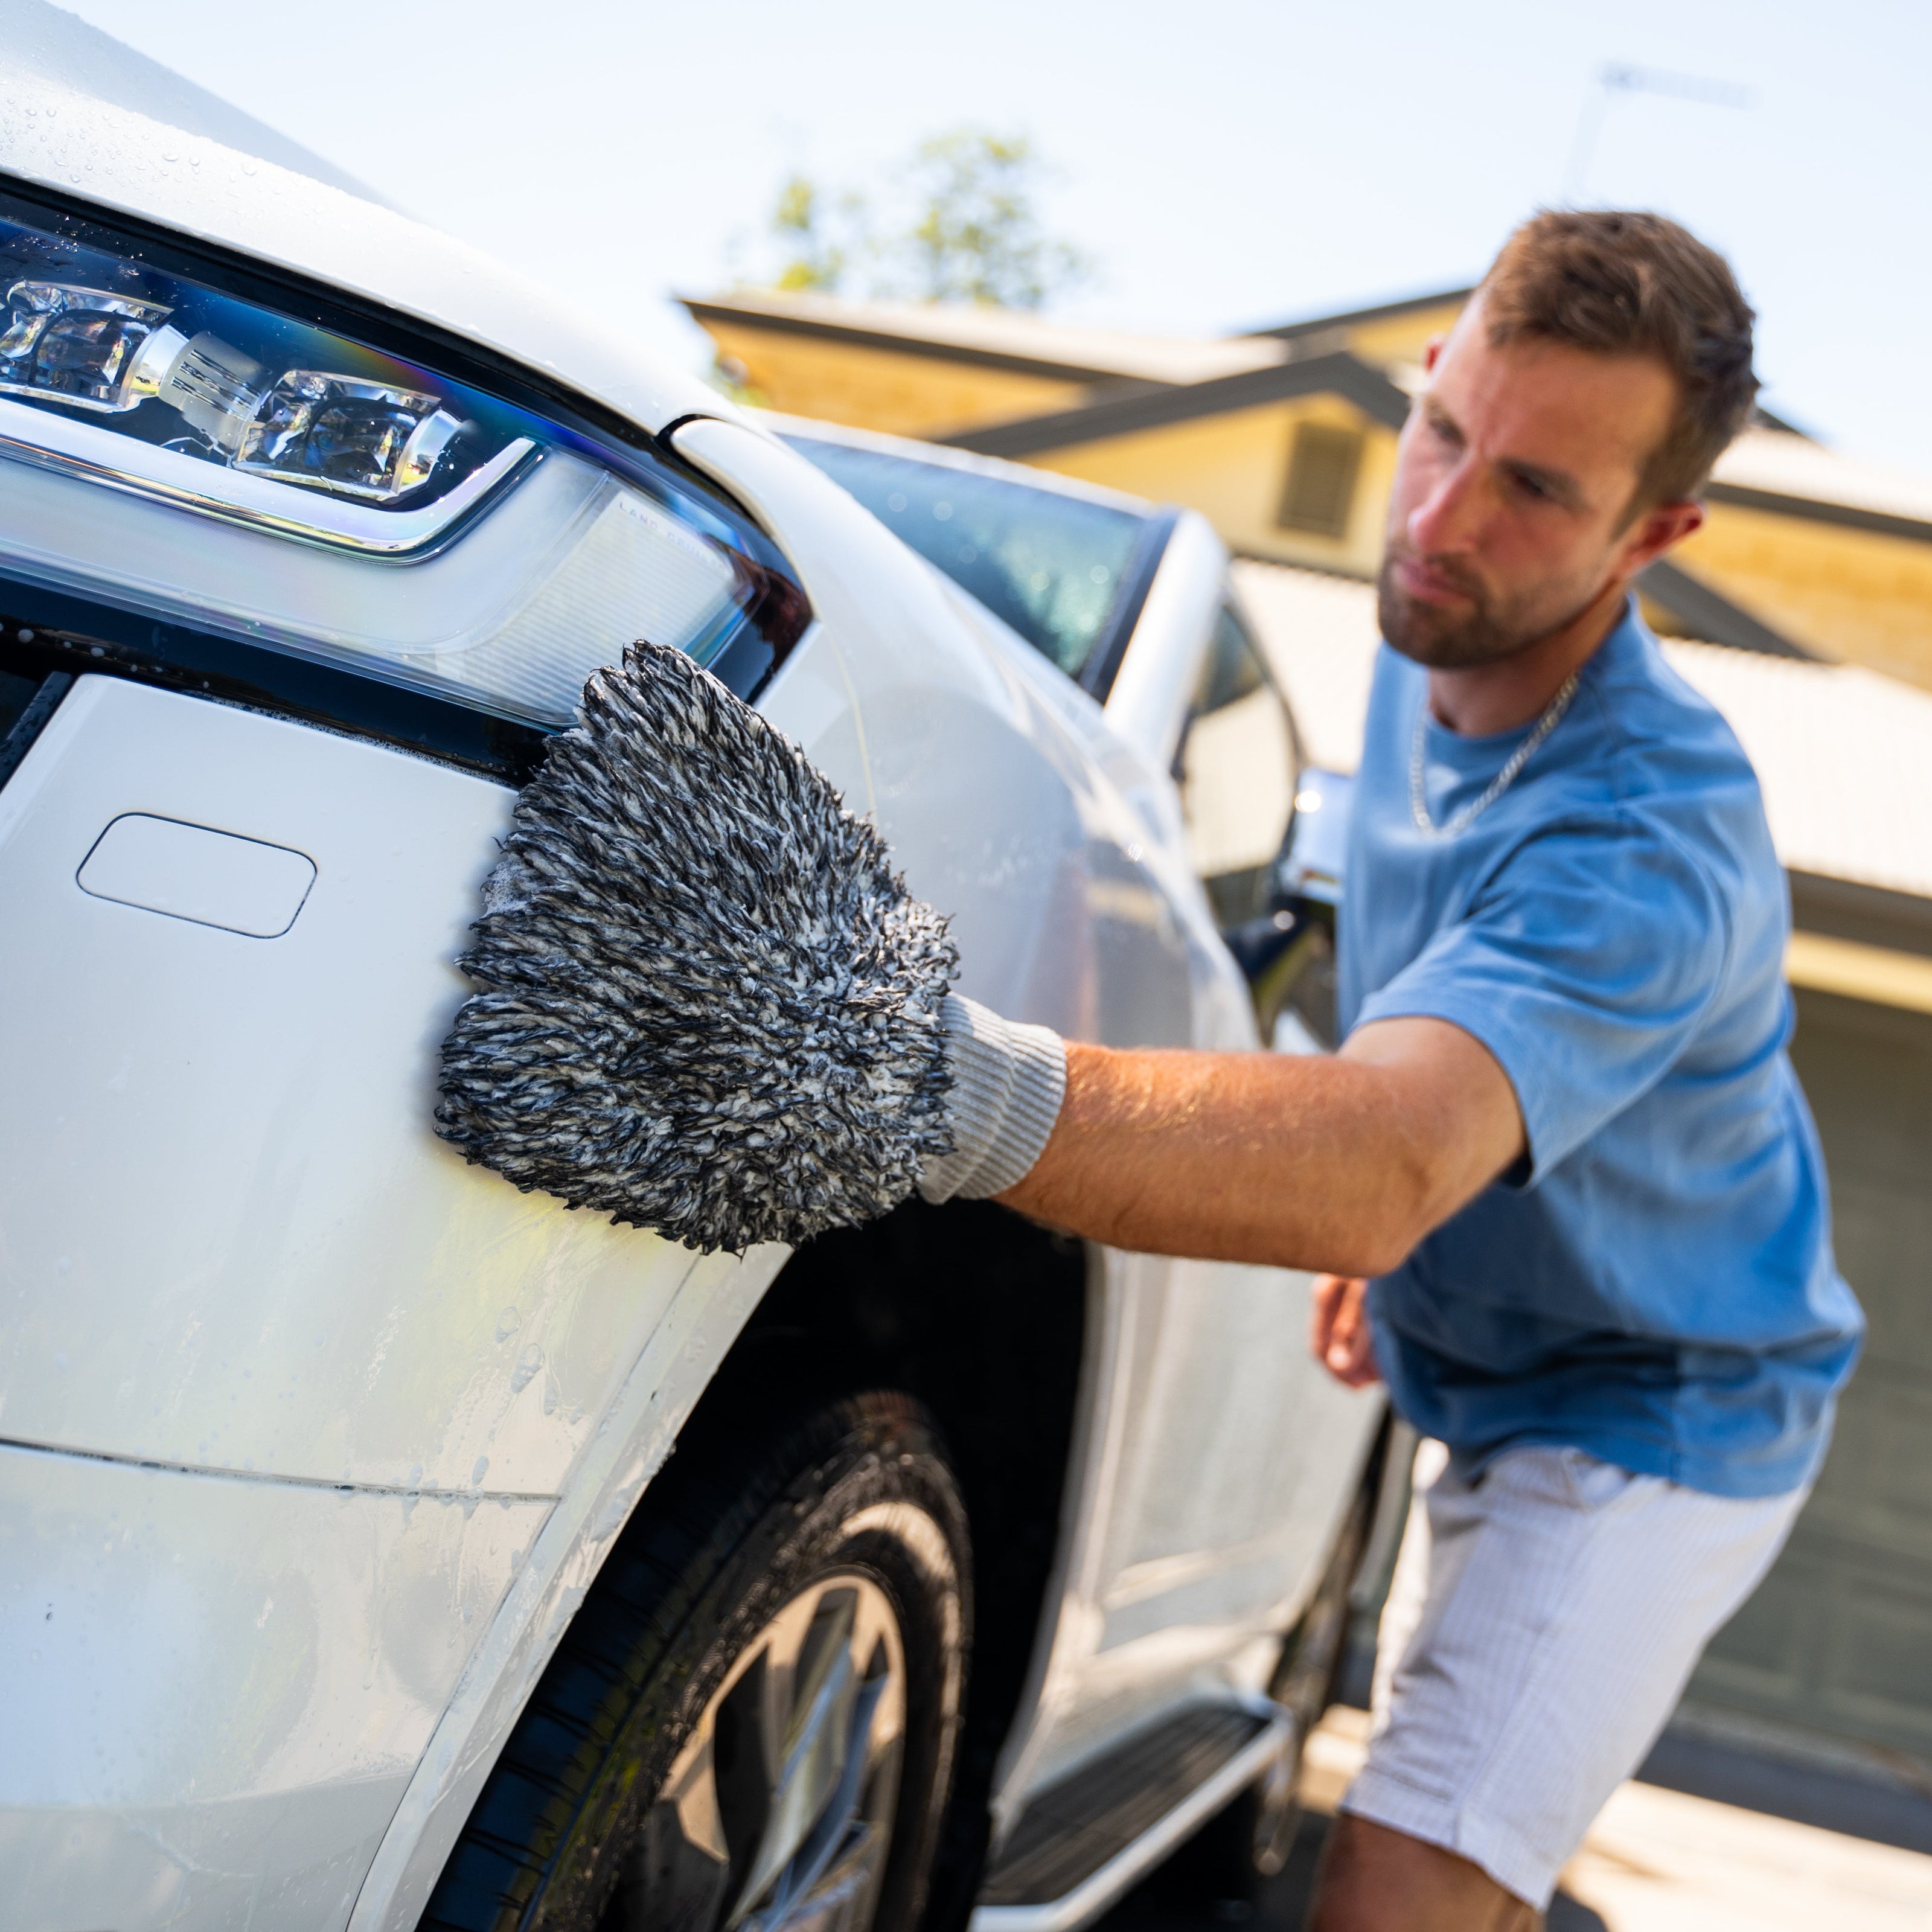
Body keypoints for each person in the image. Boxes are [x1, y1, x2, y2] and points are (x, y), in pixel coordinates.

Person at [916, 209, 1864, 1929]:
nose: (1443, 520)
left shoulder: (1649, 833)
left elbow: (1383, 1150)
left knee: (1398, 1874)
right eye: (1447, 436)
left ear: (1657, 533)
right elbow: (1422, 999)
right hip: (1486, 1376)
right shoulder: (1434, 625)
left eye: (1536, 494)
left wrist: (919, 1086)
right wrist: (1410, 1223)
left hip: (1655, 1409)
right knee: (1478, 1848)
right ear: (1432, 379)